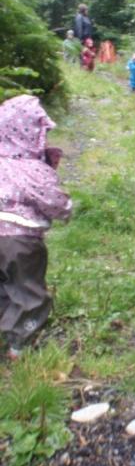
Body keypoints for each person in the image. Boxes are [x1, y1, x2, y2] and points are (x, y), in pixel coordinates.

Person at [0, 95, 72, 360]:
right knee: (27, 288)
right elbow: (51, 199)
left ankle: (5, 324)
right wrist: (66, 209)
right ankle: (19, 343)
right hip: (21, 241)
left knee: (3, 284)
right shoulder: (32, 169)